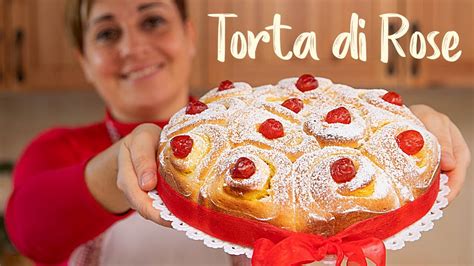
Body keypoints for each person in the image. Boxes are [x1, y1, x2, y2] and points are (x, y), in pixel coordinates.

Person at [5, 0, 471, 265]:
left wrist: (400, 133)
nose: (134, 47)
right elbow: (30, 232)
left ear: (189, 35)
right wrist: (121, 165)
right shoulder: (58, 149)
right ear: (84, 59)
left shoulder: (268, 154)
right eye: (106, 33)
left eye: (153, 21)